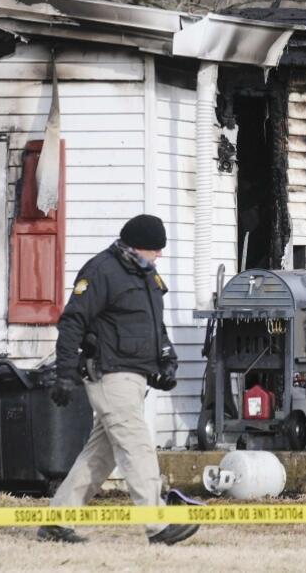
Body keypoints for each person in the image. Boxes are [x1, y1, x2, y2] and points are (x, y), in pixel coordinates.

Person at [38, 215, 198, 545]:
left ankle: (57, 520)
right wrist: (65, 373)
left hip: (133, 376)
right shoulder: (100, 271)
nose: (159, 256)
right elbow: (72, 323)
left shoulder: (146, 275)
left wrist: (165, 359)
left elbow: (154, 325)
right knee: (137, 445)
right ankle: (157, 526)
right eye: (156, 249)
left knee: (100, 455)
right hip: (109, 374)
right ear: (138, 246)